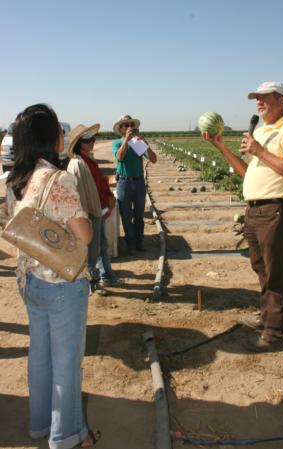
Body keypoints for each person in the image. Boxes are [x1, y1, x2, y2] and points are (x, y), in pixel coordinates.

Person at [5, 104, 100, 448]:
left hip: (29, 280)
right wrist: (87, 218)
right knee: (67, 363)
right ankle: (68, 436)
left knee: (40, 356)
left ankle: (40, 425)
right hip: (61, 283)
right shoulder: (59, 179)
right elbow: (85, 235)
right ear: (50, 138)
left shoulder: (15, 180)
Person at [202, 81, 283, 352]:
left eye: (264, 99)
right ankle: (267, 317)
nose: (258, 103)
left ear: (280, 101)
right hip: (254, 210)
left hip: (276, 209)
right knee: (261, 268)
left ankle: (275, 333)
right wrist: (220, 147)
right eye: (256, 99)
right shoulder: (262, 131)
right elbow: (244, 172)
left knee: (276, 273)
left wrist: (260, 150)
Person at [67, 124, 120, 290]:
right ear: (78, 143)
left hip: (97, 210)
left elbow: (98, 185)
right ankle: (92, 282)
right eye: (87, 140)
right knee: (92, 250)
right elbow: (82, 195)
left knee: (101, 245)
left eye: (93, 139)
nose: (92, 142)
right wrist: (92, 213)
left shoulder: (88, 161)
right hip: (90, 213)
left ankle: (107, 276)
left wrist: (109, 198)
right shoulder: (78, 164)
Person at [112, 114, 157, 254]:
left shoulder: (138, 144)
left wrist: (145, 144)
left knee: (138, 215)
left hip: (138, 182)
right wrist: (126, 140)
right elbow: (120, 157)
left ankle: (139, 243)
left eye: (131, 125)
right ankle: (130, 244)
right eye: (125, 125)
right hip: (124, 182)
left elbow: (153, 159)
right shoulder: (117, 143)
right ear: (120, 129)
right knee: (126, 215)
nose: (129, 128)